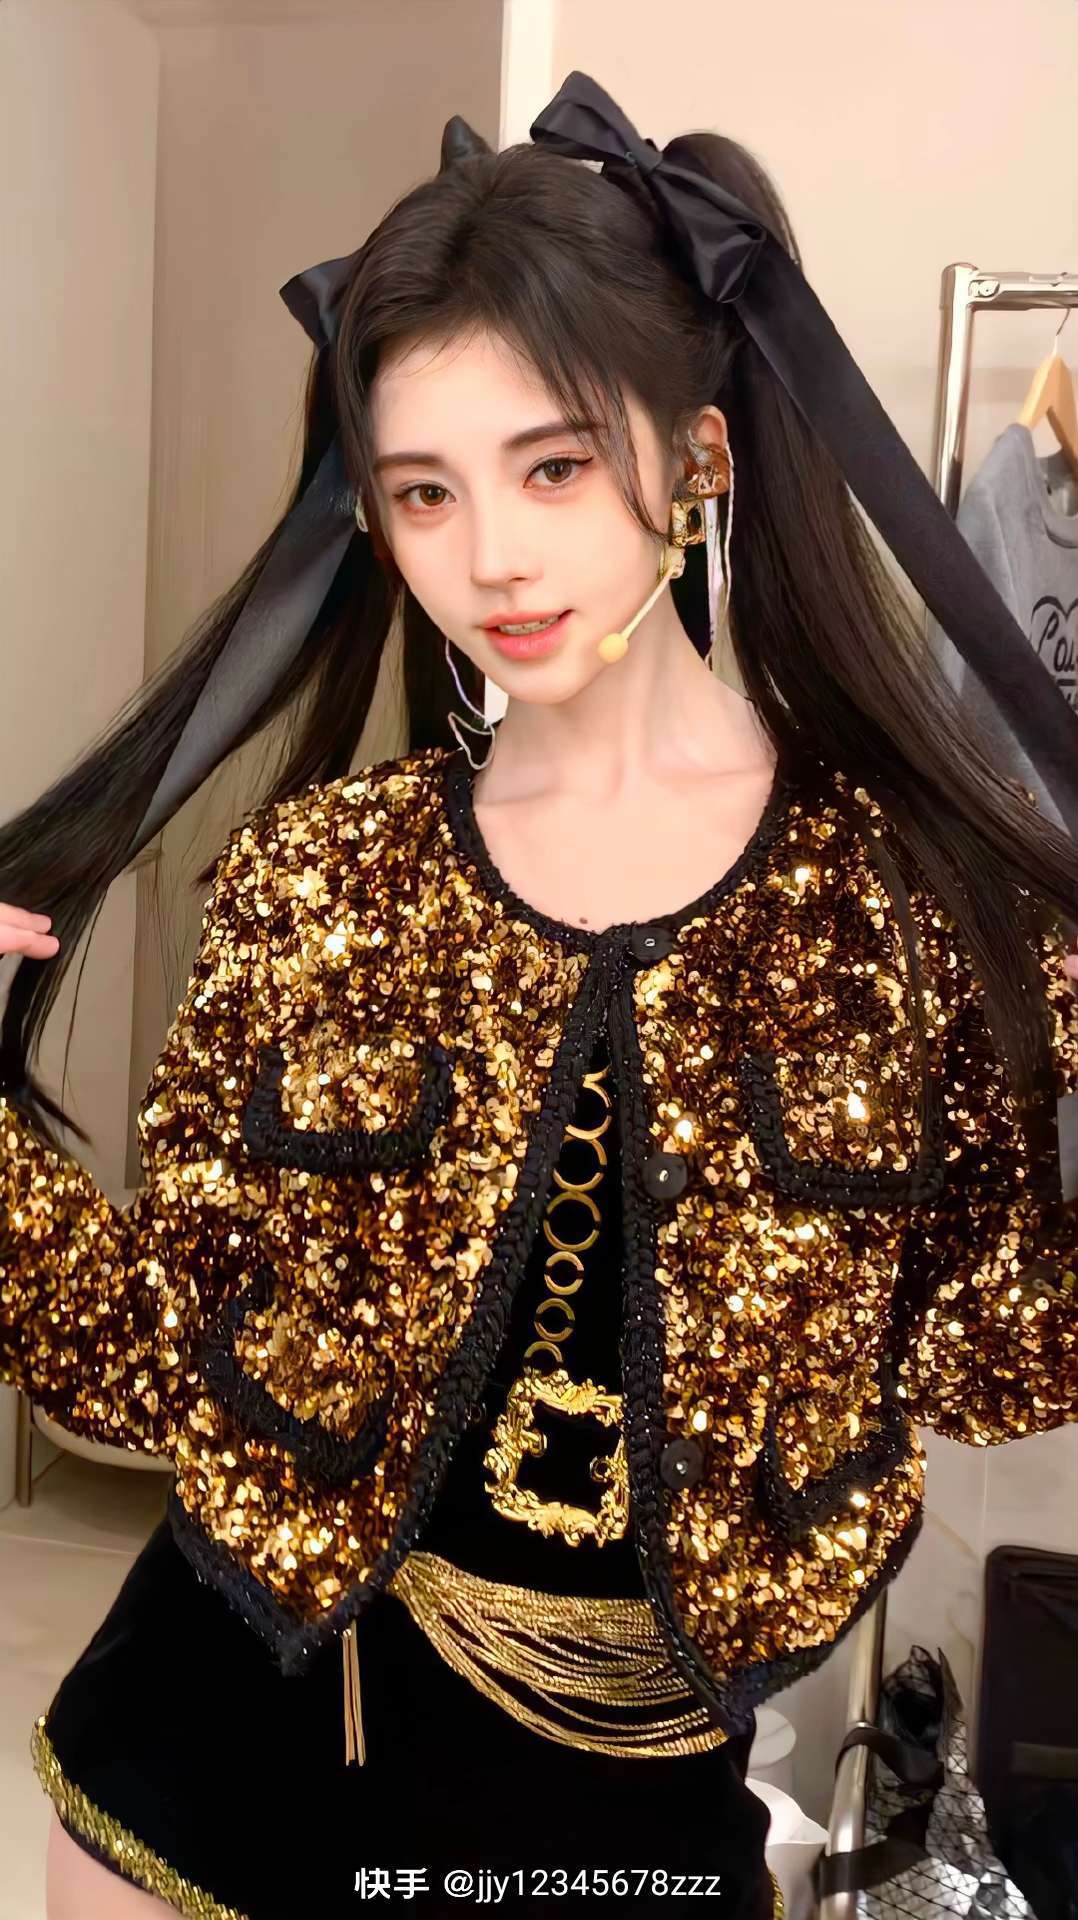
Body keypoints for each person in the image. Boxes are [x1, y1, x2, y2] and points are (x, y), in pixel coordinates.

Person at [2, 70, 1077, 1920]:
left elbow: (989, 1359)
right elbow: (157, 1354)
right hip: (224, 1728)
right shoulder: (321, 879)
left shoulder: (906, 904)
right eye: (423, 492)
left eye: (554, 466)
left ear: (698, 454)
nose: (489, 556)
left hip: (623, 1796)